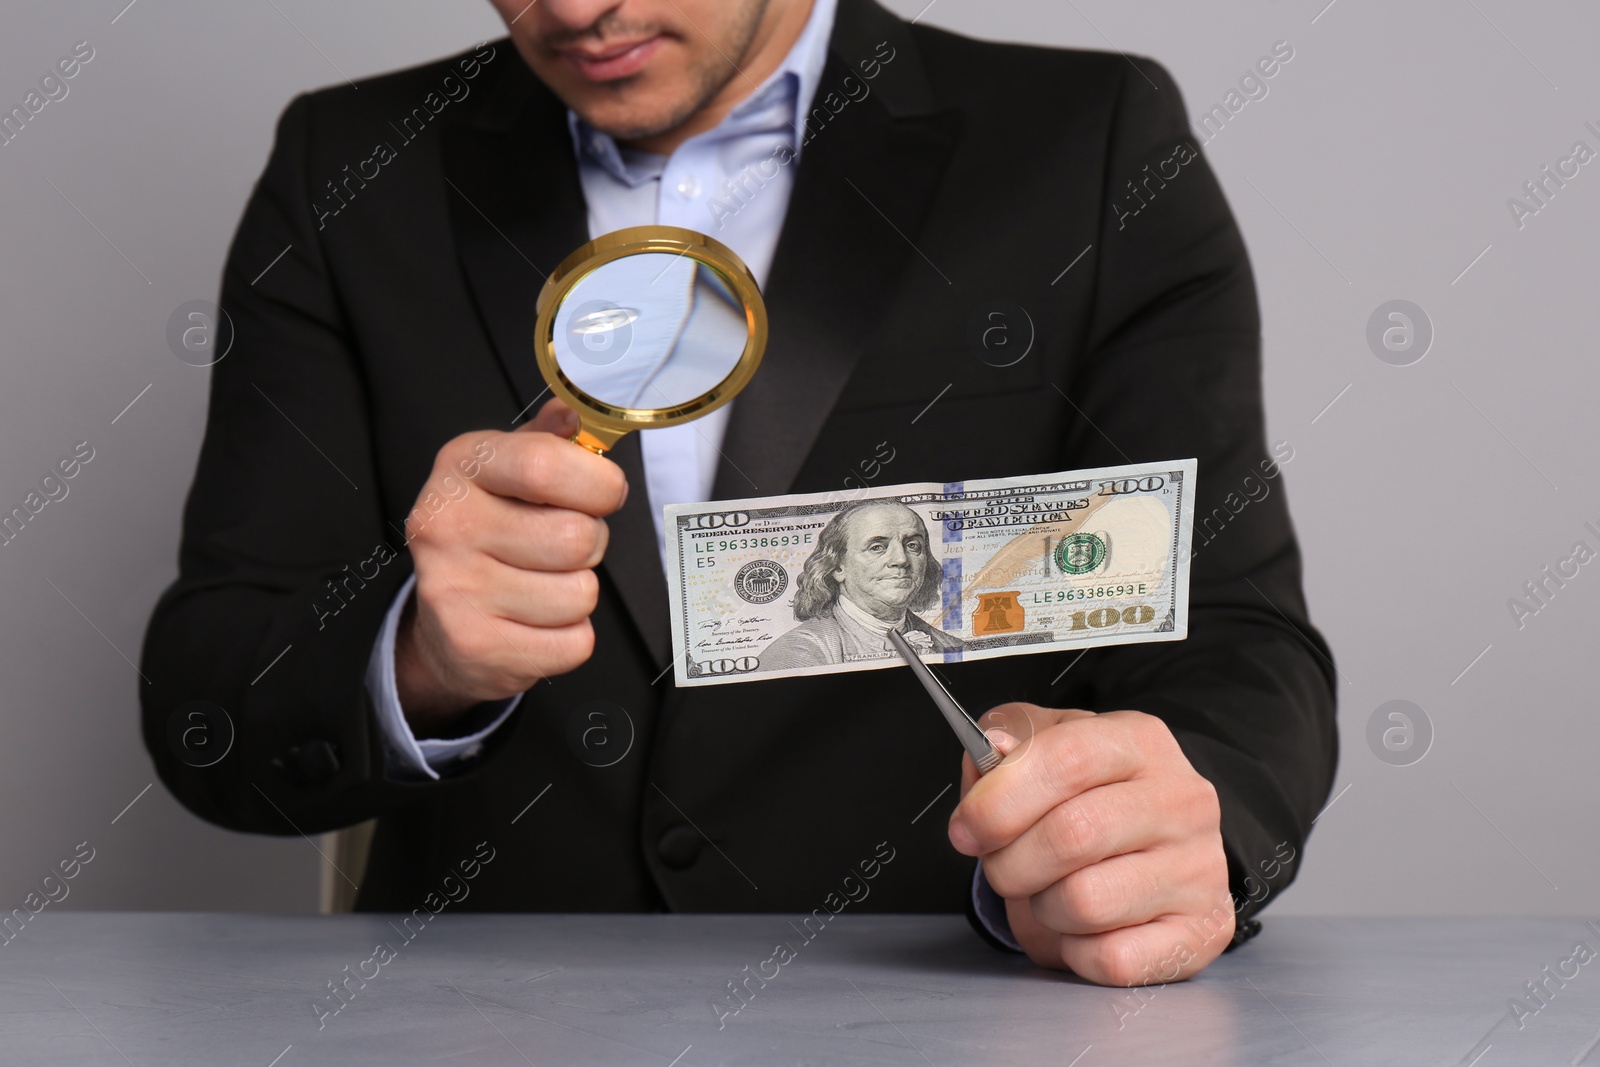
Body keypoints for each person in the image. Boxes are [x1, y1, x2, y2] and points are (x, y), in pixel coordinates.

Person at [141, 0, 1337, 989]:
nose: (571, 9)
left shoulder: (1090, 145)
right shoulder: (349, 167)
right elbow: (209, 701)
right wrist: (416, 660)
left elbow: (1235, 638)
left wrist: (1190, 824)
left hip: (953, 1010)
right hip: (486, 1023)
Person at [758, 500, 962, 671]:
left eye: (912, 546)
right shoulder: (797, 654)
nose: (901, 559)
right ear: (838, 567)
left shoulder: (953, 647)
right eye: (877, 547)